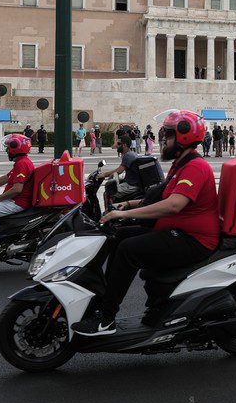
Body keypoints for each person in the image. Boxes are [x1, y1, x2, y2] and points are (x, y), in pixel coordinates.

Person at [74, 110, 219, 336]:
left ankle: (106, 318)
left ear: (183, 137)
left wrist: (123, 214)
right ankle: (102, 300)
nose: (163, 140)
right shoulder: (181, 164)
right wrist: (129, 206)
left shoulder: (195, 167)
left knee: (128, 250)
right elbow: (163, 196)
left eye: (167, 135)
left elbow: (174, 205)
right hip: (177, 230)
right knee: (117, 235)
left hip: (194, 239)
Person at [99, 134, 142, 210]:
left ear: (124, 145)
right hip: (133, 183)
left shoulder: (128, 156)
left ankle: (108, 212)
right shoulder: (131, 154)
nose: (116, 145)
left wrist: (103, 175)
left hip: (132, 185)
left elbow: (118, 171)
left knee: (107, 193)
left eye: (119, 144)